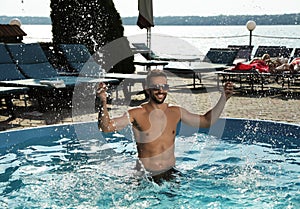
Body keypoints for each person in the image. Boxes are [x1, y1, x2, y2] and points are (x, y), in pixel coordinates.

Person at [97, 69, 233, 183]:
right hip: (146, 177)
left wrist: (224, 98)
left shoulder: (175, 112)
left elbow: (206, 121)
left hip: (170, 174)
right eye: (156, 87)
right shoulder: (136, 113)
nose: (160, 91)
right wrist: (102, 102)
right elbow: (106, 127)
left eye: (164, 86)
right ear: (147, 88)